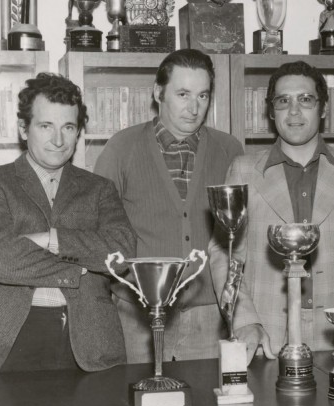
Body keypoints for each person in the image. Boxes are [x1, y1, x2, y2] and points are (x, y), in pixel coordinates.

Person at [209, 61, 334, 364]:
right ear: (271, 111)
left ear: (323, 108)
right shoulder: (243, 170)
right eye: (283, 101)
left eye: (305, 100)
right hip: (265, 339)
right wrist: (245, 321)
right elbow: (225, 255)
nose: (293, 112)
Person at [0, 73, 136, 374]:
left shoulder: (100, 189)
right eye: (46, 126)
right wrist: (79, 268)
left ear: (78, 131)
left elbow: (121, 254)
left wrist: (49, 239)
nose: (58, 140)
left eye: (68, 127)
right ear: (23, 128)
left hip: (92, 343)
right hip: (11, 340)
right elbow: (1, 261)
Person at [95, 49, 243, 363]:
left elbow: (240, 234)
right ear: (158, 92)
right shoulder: (121, 148)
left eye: (203, 95)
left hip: (209, 315)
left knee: (207, 394)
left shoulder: (229, 150)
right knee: (139, 393)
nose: (194, 108)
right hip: (137, 315)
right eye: (183, 94)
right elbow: (98, 230)